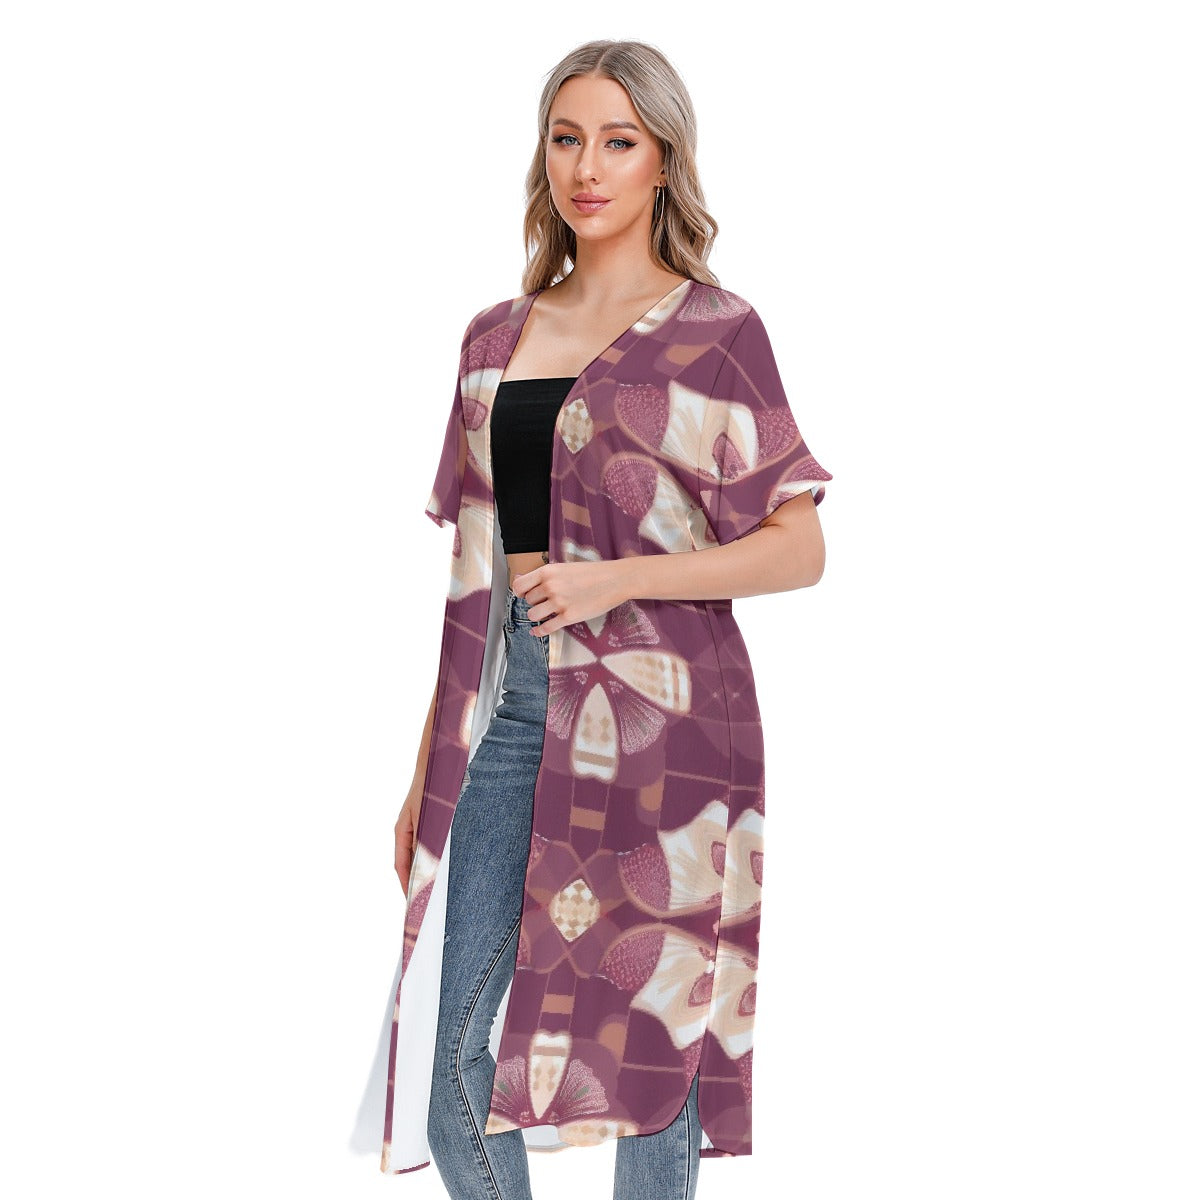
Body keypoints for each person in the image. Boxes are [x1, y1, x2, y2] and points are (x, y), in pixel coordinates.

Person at [382, 38, 831, 1200]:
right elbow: (472, 585)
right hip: (516, 715)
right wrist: (427, 771)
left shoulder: (716, 332)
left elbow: (800, 547)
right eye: (567, 138)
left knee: (650, 1063)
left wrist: (618, 580)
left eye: (619, 142)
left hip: (667, 723)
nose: (588, 168)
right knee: (455, 1066)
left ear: (664, 162)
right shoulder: (495, 338)